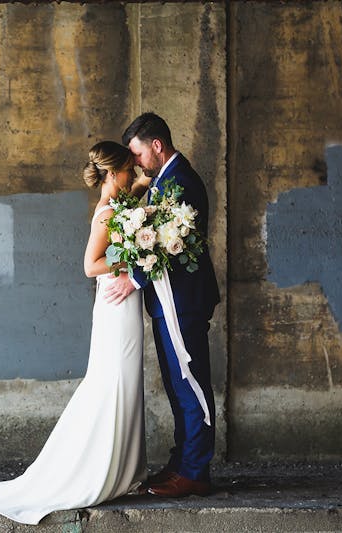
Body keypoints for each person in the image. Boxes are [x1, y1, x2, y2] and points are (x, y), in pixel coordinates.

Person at [0, 141, 147, 525]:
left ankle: (123, 466)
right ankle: (95, 469)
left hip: (123, 300)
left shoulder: (121, 205)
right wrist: (138, 256)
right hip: (116, 301)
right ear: (112, 173)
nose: (132, 174)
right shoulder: (106, 214)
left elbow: (133, 206)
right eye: (127, 171)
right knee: (113, 380)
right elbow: (90, 265)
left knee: (126, 379)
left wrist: (142, 194)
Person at [105, 112, 220, 498]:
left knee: (191, 383)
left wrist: (133, 279)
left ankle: (195, 472)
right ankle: (181, 462)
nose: (135, 162)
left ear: (156, 146)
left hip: (183, 302)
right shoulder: (162, 181)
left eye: (137, 154)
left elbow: (174, 242)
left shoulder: (181, 181)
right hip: (168, 302)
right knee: (176, 385)